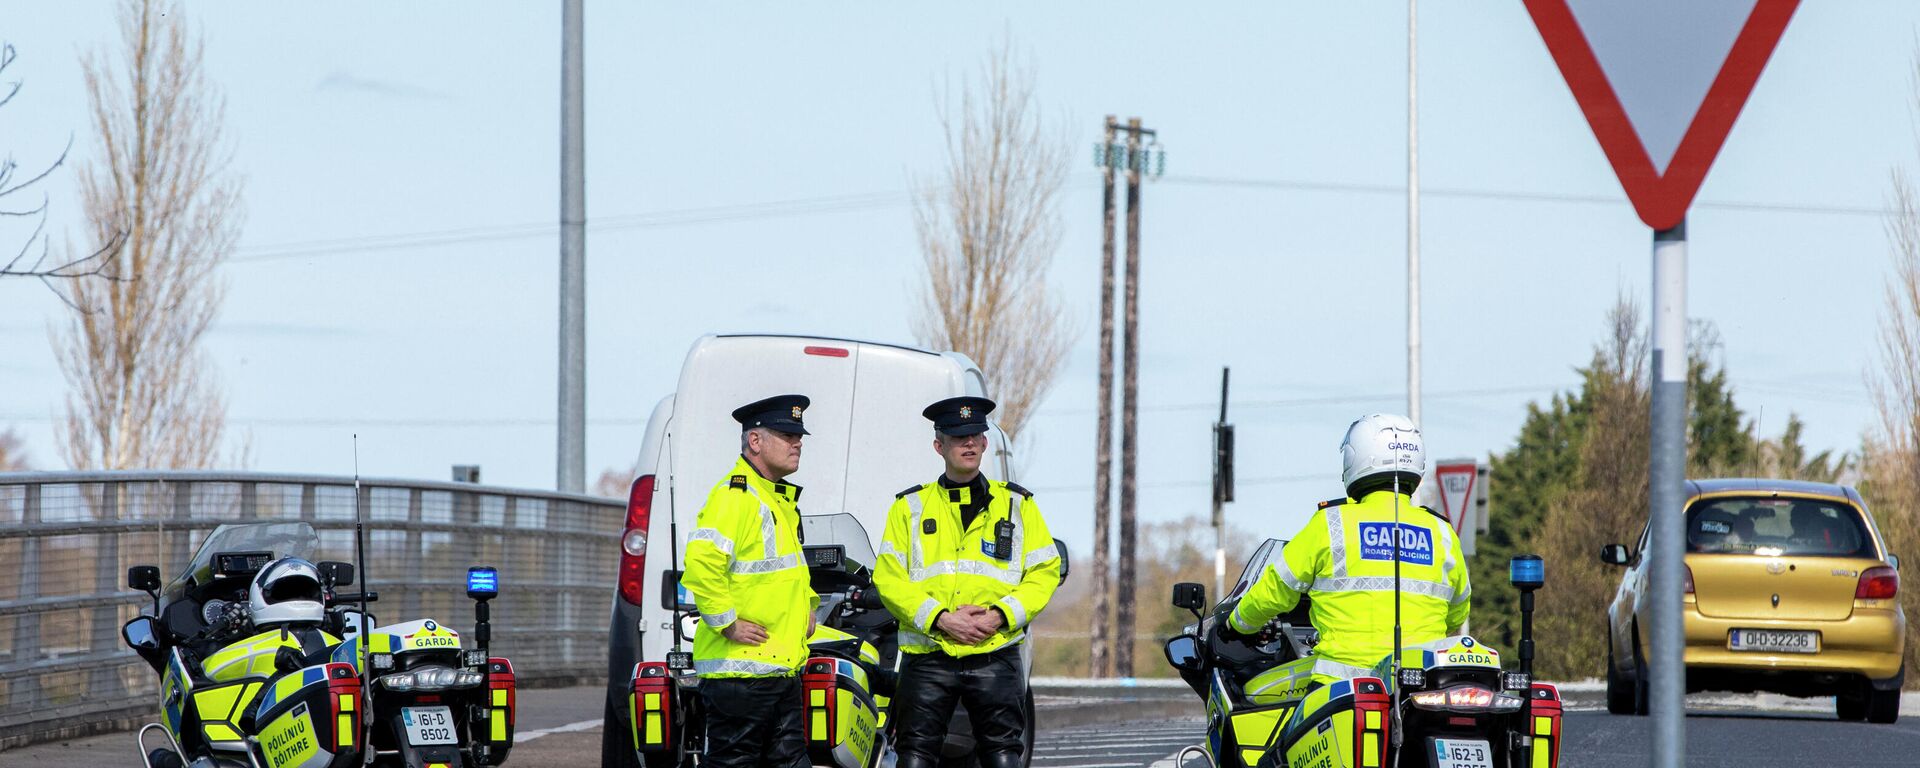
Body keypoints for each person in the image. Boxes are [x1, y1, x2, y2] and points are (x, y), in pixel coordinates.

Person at [1228, 413, 1470, 703]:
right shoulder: (1442, 532)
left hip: (1340, 693)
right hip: (1420, 691)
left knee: (1281, 744)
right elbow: (1458, 611)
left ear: (1355, 459)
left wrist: (1238, 623)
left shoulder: (1331, 524)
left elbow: (1275, 588)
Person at [873, 396, 1062, 768]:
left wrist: (1000, 616)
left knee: (1005, 756)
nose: (970, 443)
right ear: (939, 446)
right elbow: (889, 578)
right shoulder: (909, 508)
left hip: (995, 651)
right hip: (929, 656)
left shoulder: (1018, 506)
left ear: (986, 442)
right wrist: (941, 618)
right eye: (959, 437)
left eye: (976, 435)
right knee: (913, 756)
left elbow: (1044, 572)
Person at [680, 394, 819, 768]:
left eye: (798, 436)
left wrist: (808, 608)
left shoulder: (774, 499)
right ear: (755, 441)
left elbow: (786, 573)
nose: (798, 443)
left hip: (777, 669)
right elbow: (701, 563)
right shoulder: (736, 496)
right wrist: (726, 622)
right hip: (740, 673)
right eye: (786, 435)